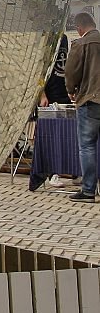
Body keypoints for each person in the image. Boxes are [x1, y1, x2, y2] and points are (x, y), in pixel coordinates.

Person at [65, 13, 100, 202]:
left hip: (90, 100)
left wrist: (71, 91)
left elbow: (70, 72)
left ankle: (88, 191)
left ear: (79, 28)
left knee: (87, 146)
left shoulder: (81, 44)